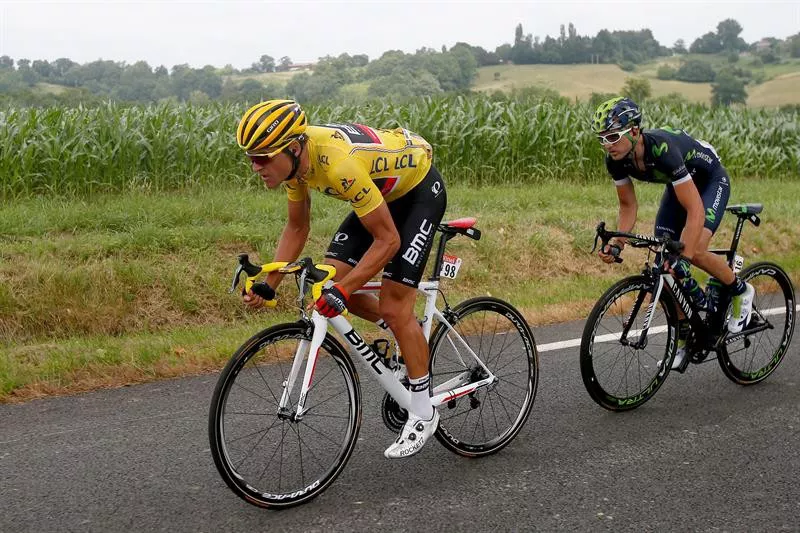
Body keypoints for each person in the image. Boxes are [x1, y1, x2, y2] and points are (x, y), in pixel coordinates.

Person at [236, 99, 446, 458]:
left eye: (263, 157)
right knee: (328, 289)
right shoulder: (295, 168)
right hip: (379, 193)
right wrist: (268, 283)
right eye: (250, 158)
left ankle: (424, 412)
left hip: (418, 193)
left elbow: (389, 241)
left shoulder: (337, 164)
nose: (256, 167)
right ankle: (404, 336)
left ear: (292, 146)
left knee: (394, 308)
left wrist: (347, 290)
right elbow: (297, 226)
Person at [592, 96, 754, 372]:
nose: (608, 144)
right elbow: (628, 206)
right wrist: (618, 242)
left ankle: (740, 291)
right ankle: (683, 340)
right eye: (602, 138)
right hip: (679, 185)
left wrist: (685, 256)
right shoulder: (616, 160)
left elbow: (695, 211)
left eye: (613, 136)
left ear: (634, 131)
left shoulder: (662, 150)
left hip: (710, 181)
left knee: (694, 251)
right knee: (664, 271)